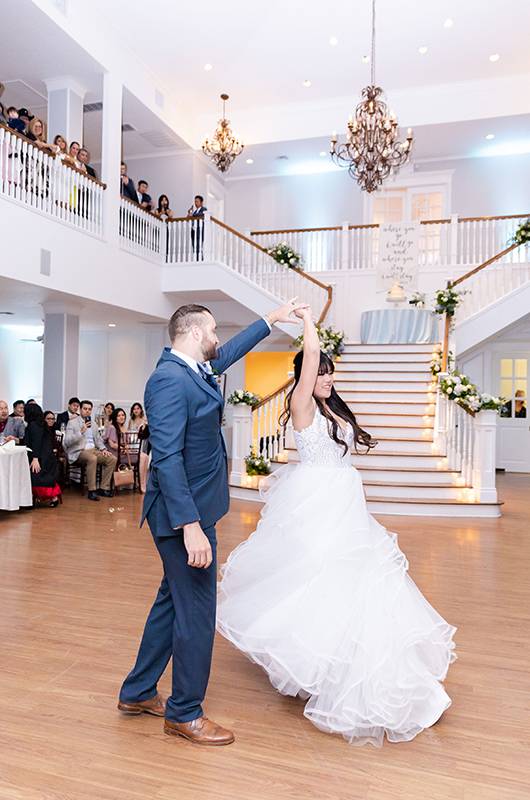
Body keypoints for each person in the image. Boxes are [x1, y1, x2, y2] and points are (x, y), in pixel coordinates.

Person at [217, 307, 457, 747]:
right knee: (324, 581)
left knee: (360, 582)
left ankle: (352, 664)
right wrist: (308, 321)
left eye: (330, 373)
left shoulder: (330, 409)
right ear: (307, 377)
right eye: (321, 372)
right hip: (317, 503)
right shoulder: (301, 403)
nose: (327, 378)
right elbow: (308, 357)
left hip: (346, 504)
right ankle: (327, 669)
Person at [118, 298, 307, 745]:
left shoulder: (192, 368)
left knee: (172, 603)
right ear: (196, 332)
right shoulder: (168, 380)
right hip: (185, 519)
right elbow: (165, 458)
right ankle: (184, 713)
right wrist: (190, 526)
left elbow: (230, 352)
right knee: (197, 613)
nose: (218, 338)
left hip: (197, 510)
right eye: (214, 330)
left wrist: (273, 318)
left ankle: (139, 690)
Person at [63, 400, 117, 501]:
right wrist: (80, 432)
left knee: (112, 458)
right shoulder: (72, 423)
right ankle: (92, 491)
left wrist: (104, 449)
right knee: (92, 459)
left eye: (89, 409)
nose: (87, 411)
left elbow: (98, 440)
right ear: (80, 409)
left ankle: (103, 488)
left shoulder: (94, 424)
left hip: (93, 450)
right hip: (79, 451)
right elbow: (67, 442)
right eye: (85, 409)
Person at [24, 403, 62, 508]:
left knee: (36, 477)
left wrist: (35, 458)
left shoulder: (34, 425)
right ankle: (52, 498)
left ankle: (35, 499)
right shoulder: (41, 424)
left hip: (40, 457)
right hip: (47, 456)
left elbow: (36, 442)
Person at [128, 402, 149, 493]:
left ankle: (142, 483)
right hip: (132, 443)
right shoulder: (130, 421)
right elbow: (128, 433)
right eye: (134, 409)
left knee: (144, 457)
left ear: (141, 410)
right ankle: (133, 481)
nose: (136, 410)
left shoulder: (144, 420)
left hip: (141, 442)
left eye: (138, 408)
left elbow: (146, 435)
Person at [188, 195, 207, 259]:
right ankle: (196, 259)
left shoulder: (204, 209)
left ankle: (200, 260)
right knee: (194, 247)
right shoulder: (195, 211)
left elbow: (202, 214)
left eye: (197, 201)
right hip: (193, 231)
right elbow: (189, 218)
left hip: (199, 232)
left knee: (198, 247)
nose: (196, 203)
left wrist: (192, 215)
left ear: (201, 202)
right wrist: (189, 214)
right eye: (195, 202)